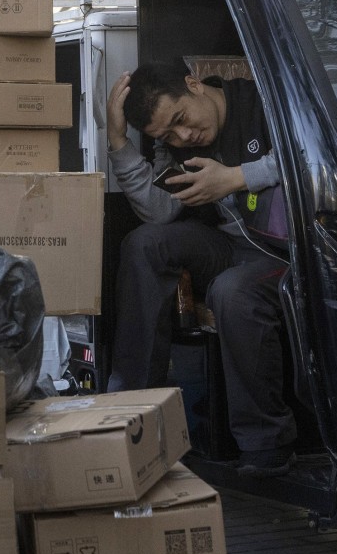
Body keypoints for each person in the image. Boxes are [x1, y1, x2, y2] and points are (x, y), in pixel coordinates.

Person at [105, 60, 297, 478]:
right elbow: (159, 213)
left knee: (232, 291)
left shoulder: (262, 101)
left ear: (194, 85)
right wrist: (119, 141)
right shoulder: (175, 145)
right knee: (144, 244)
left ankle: (266, 446)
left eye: (181, 120)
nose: (184, 136)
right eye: (167, 135)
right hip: (228, 245)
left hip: (287, 252)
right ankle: (129, 417)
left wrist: (236, 178)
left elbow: (306, 153)